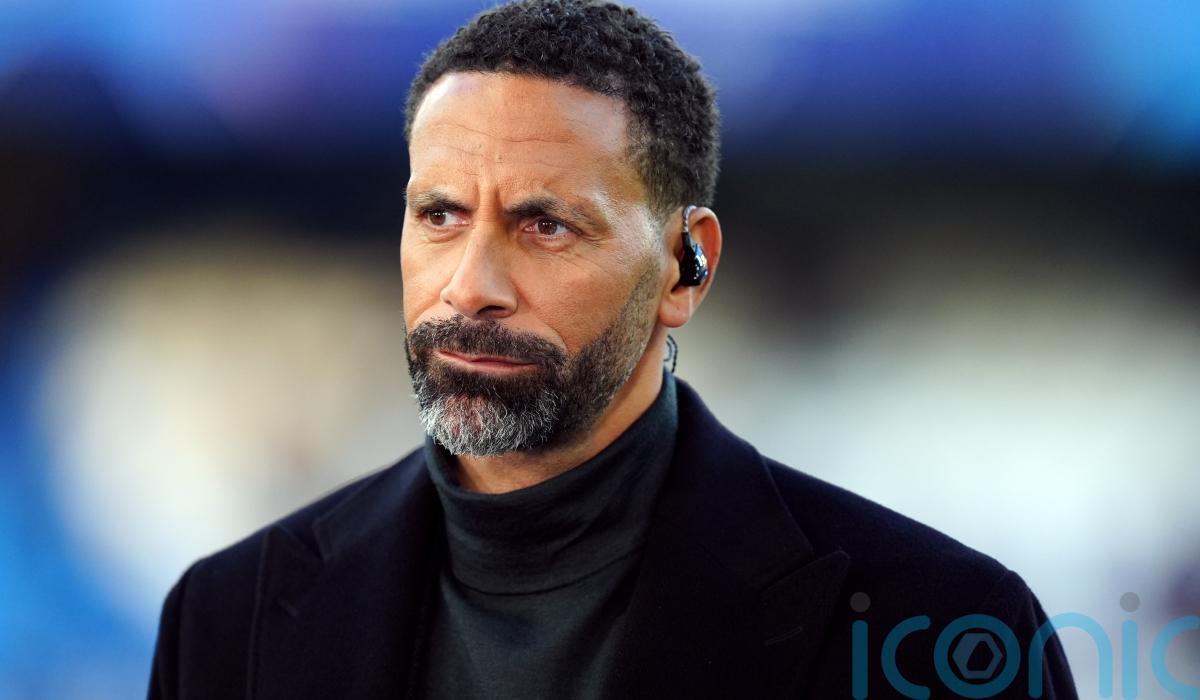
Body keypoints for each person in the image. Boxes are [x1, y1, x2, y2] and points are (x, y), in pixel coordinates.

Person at [148, 1, 1078, 698]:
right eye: (439, 215)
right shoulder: (228, 619)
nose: (470, 285)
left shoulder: (942, 628)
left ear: (686, 266)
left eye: (545, 225)